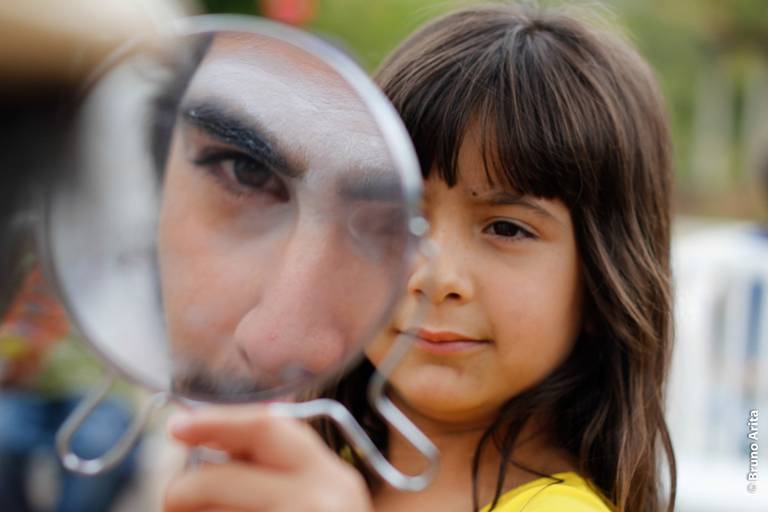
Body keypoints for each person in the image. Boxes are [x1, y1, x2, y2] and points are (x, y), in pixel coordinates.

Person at [162, 3, 676, 512]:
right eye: (395, 218)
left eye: (506, 228)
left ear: (602, 283)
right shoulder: (318, 476)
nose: (434, 276)